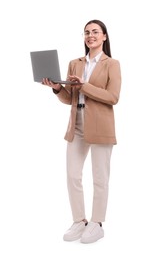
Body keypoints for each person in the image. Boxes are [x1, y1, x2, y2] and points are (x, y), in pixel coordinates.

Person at [42, 19, 121, 244]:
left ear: (104, 37)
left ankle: (97, 223)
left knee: (99, 177)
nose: (90, 36)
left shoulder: (111, 64)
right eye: (87, 32)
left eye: (95, 32)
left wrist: (83, 85)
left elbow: (113, 97)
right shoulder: (74, 63)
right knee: (73, 175)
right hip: (76, 125)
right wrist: (57, 88)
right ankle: (79, 221)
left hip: (101, 126)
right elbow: (70, 98)